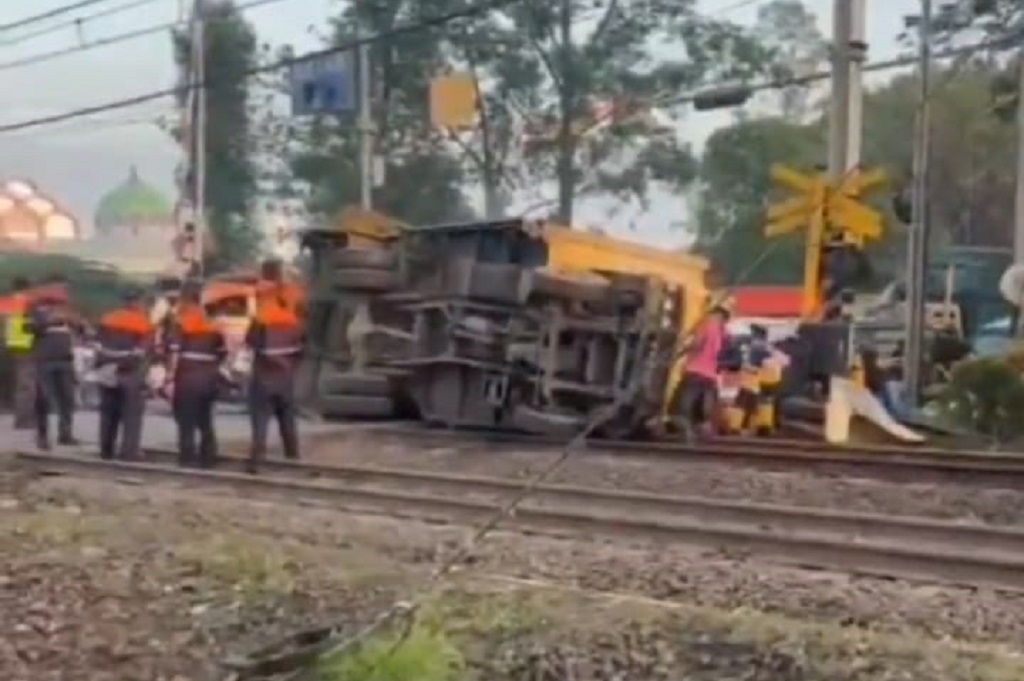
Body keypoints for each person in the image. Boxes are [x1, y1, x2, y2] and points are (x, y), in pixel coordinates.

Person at [245, 279, 304, 473]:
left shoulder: (260, 319)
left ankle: (257, 462)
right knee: (287, 420)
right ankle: (293, 458)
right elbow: (300, 351)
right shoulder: (292, 319)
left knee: (260, 421)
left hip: (263, 380)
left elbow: (250, 342)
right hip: (286, 380)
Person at [166, 280, 224, 468]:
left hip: (187, 377)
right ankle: (209, 457)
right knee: (205, 419)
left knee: (186, 420)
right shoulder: (213, 323)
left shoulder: (181, 321)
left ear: (185, 298)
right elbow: (222, 352)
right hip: (209, 378)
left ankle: (187, 458)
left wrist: (169, 378)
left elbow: (174, 352)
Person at [95, 289, 154, 460]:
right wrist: (124, 364)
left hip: (106, 371)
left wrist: (107, 364)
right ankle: (129, 453)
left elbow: (97, 346)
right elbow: (141, 352)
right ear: (138, 302)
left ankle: (106, 451)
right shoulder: (144, 323)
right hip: (130, 374)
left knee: (107, 414)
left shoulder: (107, 318)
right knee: (132, 415)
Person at [27, 275, 81, 449]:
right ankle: (42, 436)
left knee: (68, 398)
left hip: (65, 359)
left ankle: (65, 434)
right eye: (61, 289)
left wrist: (76, 323)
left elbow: (82, 329)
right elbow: (29, 328)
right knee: (43, 398)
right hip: (45, 360)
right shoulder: (37, 309)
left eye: (66, 289)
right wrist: (49, 320)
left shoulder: (69, 310)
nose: (64, 293)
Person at [673, 304, 729, 439]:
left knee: (684, 403)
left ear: (716, 314)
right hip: (710, 374)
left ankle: (687, 431)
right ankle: (705, 429)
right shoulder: (723, 332)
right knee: (705, 404)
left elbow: (697, 344)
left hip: (695, 369)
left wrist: (680, 353)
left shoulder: (706, 325)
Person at [6, 276, 36, 430]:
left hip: (14, 344)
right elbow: (31, 324)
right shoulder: (27, 303)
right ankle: (24, 420)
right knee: (27, 385)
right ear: (26, 288)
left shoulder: (9, 303)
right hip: (27, 344)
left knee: (21, 384)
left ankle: (21, 418)